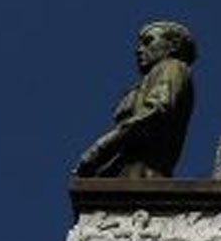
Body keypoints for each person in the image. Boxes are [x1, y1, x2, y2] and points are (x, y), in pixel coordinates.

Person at [73, 19, 196, 178]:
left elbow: (155, 112)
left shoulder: (172, 66)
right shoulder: (145, 82)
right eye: (139, 45)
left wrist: (100, 148)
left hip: (144, 175)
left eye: (148, 42)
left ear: (173, 45)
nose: (139, 50)